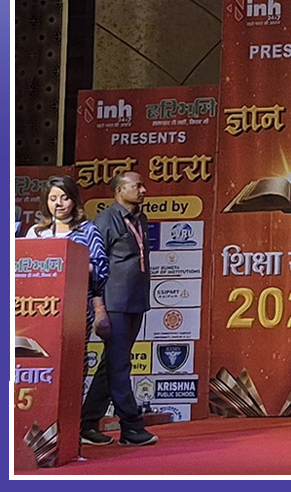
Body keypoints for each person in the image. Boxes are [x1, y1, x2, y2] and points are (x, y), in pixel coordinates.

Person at [80, 171, 157, 447]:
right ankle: (131, 427)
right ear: (119, 191)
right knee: (120, 364)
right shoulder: (104, 221)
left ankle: (87, 424)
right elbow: (94, 267)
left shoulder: (140, 219)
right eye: (137, 186)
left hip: (136, 301)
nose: (143, 190)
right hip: (113, 304)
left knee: (111, 364)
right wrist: (99, 306)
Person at [26, 176, 109, 343]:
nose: (58, 203)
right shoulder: (36, 232)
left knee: (75, 350)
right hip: (39, 306)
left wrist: (73, 267)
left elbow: (102, 269)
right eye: (53, 199)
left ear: (74, 200)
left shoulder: (88, 231)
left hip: (76, 306)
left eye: (65, 198)